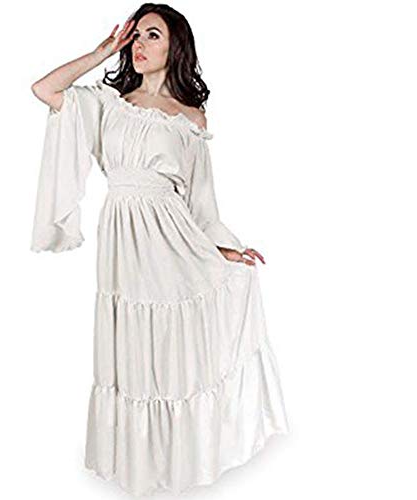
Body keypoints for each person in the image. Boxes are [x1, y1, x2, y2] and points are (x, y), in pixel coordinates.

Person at [30, 3, 289, 496]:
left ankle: (184, 456)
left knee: (172, 346)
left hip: (173, 240)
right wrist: (102, 51)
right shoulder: (108, 103)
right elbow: (45, 89)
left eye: (153, 34)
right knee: (130, 342)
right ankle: (137, 463)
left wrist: (226, 251)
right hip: (123, 238)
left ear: (176, 46)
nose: (140, 44)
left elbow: (201, 203)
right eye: (136, 35)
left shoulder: (190, 118)